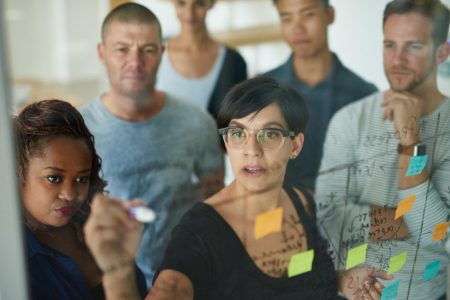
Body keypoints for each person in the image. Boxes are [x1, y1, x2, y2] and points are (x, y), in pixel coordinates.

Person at [84, 77, 394, 299]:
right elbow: (170, 289)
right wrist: (119, 276)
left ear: (295, 146)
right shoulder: (200, 229)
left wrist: (342, 281)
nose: (251, 150)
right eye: (238, 134)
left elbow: (303, 277)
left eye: (269, 134)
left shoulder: (302, 202)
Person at [80, 3, 224, 287]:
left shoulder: (196, 122)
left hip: (189, 280)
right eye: (122, 49)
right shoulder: (78, 130)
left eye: (147, 49)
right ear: (102, 53)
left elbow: (216, 202)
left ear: (162, 53)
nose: (135, 62)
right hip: (106, 283)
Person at [316, 0, 450, 299]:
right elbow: (327, 217)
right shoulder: (350, 119)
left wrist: (409, 142)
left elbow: (438, 235)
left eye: (413, 46)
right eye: (390, 45)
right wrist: (412, 221)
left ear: (442, 51)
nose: (397, 59)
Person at [14, 99, 147, 299]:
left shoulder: (98, 229)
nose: (69, 194)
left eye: (81, 178)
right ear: (19, 174)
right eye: (54, 178)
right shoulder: (12, 259)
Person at [263, 0, 377, 192]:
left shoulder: (364, 97)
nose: (297, 28)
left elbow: (372, 178)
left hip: (344, 218)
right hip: (276, 216)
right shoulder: (262, 91)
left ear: (330, 15)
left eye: (308, 15)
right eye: (287, 18)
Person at [156, 0, 247, 119]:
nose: (189, 14)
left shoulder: (234, 62)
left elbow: (239, 122)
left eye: (199, 4)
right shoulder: (155, 54)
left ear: (212, 3)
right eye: (181, 3)